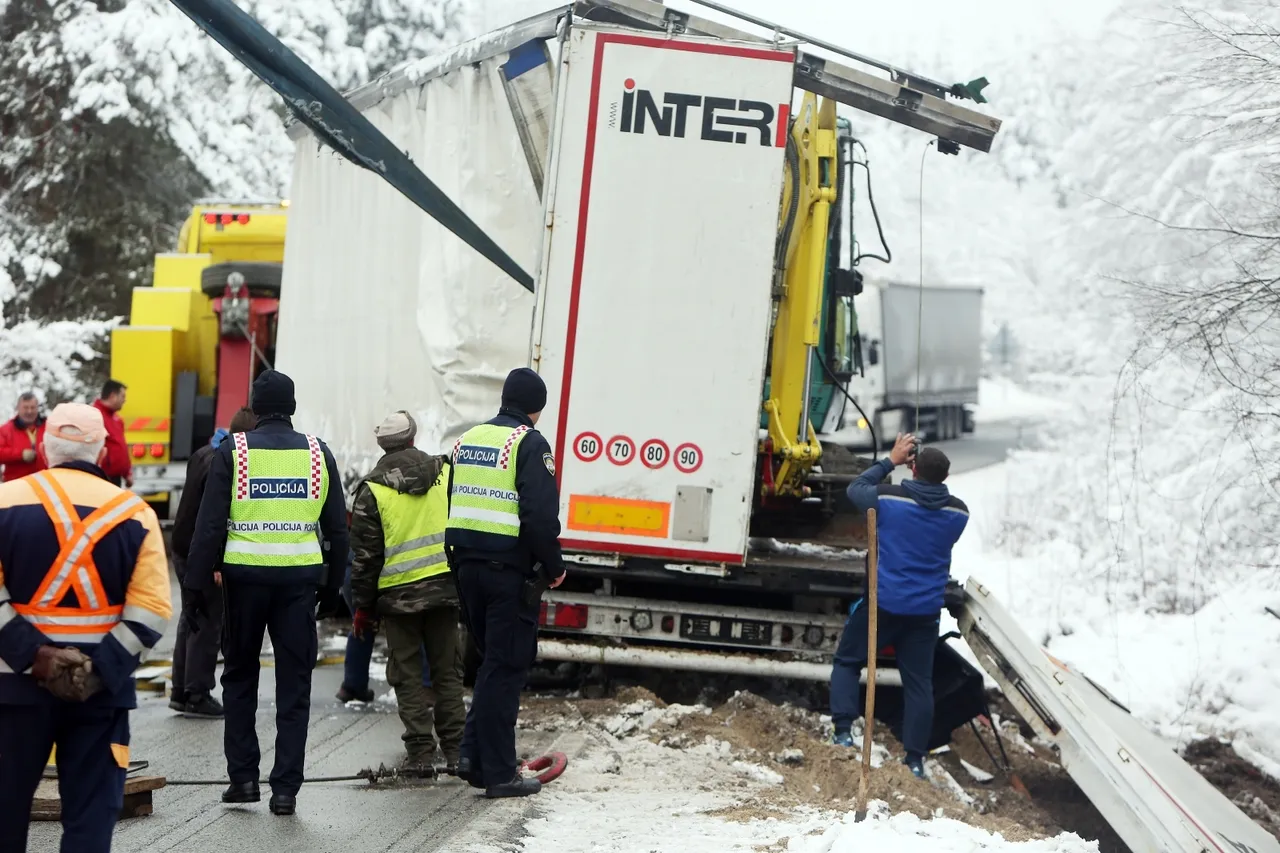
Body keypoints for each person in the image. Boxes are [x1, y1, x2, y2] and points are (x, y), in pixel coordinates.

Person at [0, 403, 171, 853]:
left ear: (42, 445)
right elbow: (151, 607)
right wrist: (98, 670)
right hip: (100, 694)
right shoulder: (135, 514)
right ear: (101, 451)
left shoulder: (5, 502)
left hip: (12, 691)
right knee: (90, 822)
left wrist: (35, 657)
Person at [183, 370, 348, 816]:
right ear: (291, 406)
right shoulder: (318, 453)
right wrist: (334, 588)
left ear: (254, 408)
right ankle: (285, 790)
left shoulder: (233, 452)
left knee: (239, 677)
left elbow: (209, 525)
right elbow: (336, 528)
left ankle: (243, 780)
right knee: (295, 683)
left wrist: (194, 586)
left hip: (245, 583)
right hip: (298, 584)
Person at [445, 367, 566, 799]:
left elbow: (453, 498)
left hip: (465, 568)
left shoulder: (469, 439)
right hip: (505, 574)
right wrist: (554, 565)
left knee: (492, 664)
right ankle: (498, 772)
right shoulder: (530, 444)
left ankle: (472, 757)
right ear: (538, 407)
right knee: (506, 666)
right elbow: (537, 518)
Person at [829, 433, 969, 778]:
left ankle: (844, 732)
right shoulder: (958, 514)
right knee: (919, 684)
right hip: (924, 612)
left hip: (883, 603)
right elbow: (933, 505)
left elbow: (856, 489)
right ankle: (915, 759)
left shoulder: (889, 500)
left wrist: (891, 459)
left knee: (848, 661)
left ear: (913, 468)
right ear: (946, 478)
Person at [349, 411, 463, 774]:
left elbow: (365, 561)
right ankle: (457, 751)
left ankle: (420, 753)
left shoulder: (372, 491)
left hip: (398, 600)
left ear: (382, 444)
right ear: (413, 438)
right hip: (444, 590)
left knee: (408, 675)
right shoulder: (445, 474)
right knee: (447, 672)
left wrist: (362, 609)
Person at [169, 408, 258, 719]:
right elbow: (214, 520)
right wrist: (217, 562)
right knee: (208, 622)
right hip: (201, 553)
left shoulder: (204, 452)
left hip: (181, 547)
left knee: (190, 618)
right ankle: (198, 692)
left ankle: (180, 690)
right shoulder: (227, 462)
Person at [92, 380, 132, 489]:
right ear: (113, 396)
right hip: (101, 478)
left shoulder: (117, 420)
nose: (124, 400)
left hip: (115, 478)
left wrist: (127, 473)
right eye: (122, 396)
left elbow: (121, 447)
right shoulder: (95, 416)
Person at [0, 392, 47, 482]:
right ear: (18, 408)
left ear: (37, 408)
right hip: (17, 484)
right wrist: (20, 454)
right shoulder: (5, 430)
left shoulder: (48, 427)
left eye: (32, 408)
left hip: (45, 482)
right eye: (25, 408)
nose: (29, 411)